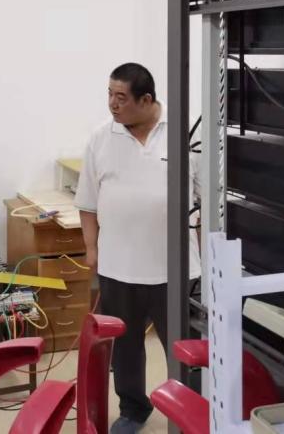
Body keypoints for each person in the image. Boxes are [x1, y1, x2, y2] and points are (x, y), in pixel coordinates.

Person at [75, 62, 200, 434]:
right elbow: (87, 202)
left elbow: (209, 197)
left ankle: (190, 409)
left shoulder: (184, 134)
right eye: (109, 95)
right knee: (125, 346)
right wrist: (91, 248)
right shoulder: (101, 138)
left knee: (184, 346)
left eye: (121, 97)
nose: (112, 104)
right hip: (118, 267)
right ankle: (132, 408)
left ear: (146, 100)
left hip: (174, 267)